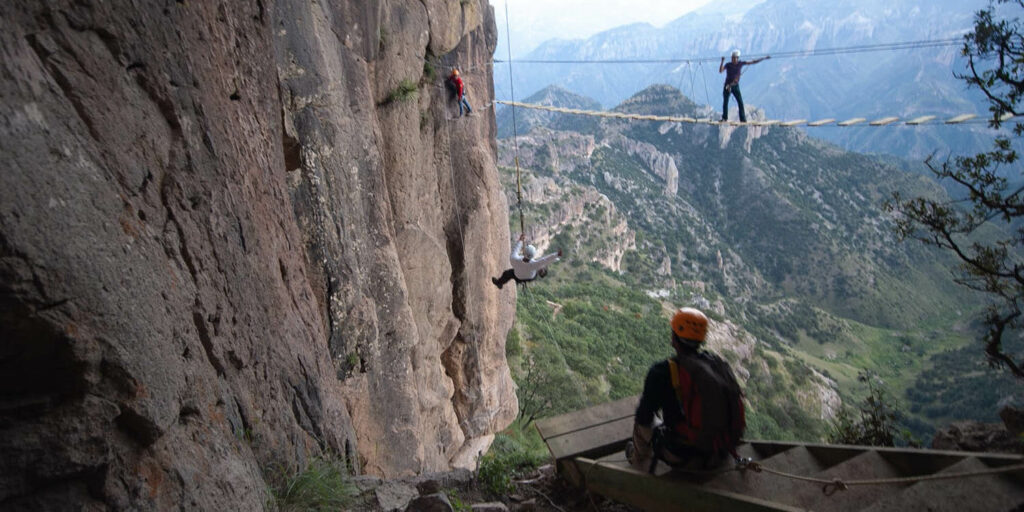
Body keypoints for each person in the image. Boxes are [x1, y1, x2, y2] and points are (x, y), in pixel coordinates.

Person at [626, 307, 746, 473]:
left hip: (687, 456)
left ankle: (636, 463)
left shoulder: (663, 371)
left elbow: (644, 416)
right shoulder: (716, 364)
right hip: (722, 451)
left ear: (674, 338)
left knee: (641, 423)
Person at [492, 234, 562, 289]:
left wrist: (520, 240)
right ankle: (540, 271)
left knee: (507, 274)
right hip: (530, 278)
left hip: (517, 276)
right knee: (540, 266)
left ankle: (499, 283)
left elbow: (515, 249)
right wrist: (556, 255)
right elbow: (545, 260)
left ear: (524, 252)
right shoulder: (534, 264)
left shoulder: (514, 259)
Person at [718, 50, 770, 123]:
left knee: (740, 102)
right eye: (732, 58)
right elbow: (720, 71)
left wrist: (763, 58)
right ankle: (724, 118)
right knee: (725, 103)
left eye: (735, 58)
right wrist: (722, 61)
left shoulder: (740, 64)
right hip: (727, 86)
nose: (733, 59)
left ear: (737, 58)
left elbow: (753, 62)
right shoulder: (728, 65)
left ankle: (742, 119)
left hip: (735, 86)